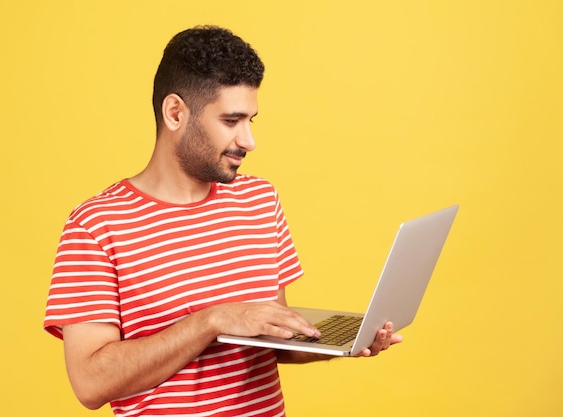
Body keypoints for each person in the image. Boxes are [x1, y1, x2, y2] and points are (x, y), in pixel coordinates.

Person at [44, 25, 402, 416]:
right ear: (175, 113)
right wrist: (212, 320)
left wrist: (345, 342)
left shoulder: (259, 200)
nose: (249, 140)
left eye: (251, 120)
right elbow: (90, 384)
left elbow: (270, 339)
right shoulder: (96, 225)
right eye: (231, 121)